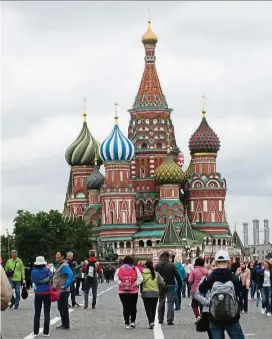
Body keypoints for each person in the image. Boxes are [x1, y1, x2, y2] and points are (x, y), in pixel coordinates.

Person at [198, 250, 244, 339]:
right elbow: (239, 292)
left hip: (215, 316)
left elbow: (201, 290)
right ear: (228, 261)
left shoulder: (210, 277)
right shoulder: (234, 277)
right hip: (232, 317)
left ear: (216, 262)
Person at [114, 255, 143, 329]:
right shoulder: (135, 269)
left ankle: (127, 322)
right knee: (133, 306)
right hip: (133, 291)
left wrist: (121, 284)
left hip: (122, 291)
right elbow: (140, 278)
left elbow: (115, 278)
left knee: (125, 306)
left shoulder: (119, 269)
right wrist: (134, 284)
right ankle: (133, 322)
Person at [155, 251, 182, 325]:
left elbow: (154, 276)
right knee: (170, 303)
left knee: (161, 301)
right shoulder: (172, 265)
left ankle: (160, 319)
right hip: (170, 285)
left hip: (161, 285)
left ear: (162, 257)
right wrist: (180, 286)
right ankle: (169, 320)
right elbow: (177, 276)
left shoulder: (157, 265)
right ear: (168, 257)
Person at [194, 260, 217, 339]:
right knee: (211, 332)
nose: (215, 268)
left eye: (217, 265)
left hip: (221, 310)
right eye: (213, 266)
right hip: (208, 310)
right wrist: (207, 302)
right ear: (210, 267)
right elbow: (197, 294)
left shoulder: (224, 278)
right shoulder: (205, 279)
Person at [31, 256, 52, 337]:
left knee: (37, 313)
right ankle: (46, 332)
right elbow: (51, 278)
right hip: (46, 292)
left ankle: (35, 331)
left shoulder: (33, 271)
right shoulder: (47, 270)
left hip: (38, 293)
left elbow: (33, 280)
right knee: (47, 312)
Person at [53, 251, 74, 330]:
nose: (57, 256)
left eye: (58, 255)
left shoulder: (64, 266)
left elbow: (71, 275)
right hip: (59, 291)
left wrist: (65, 285)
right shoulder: (59, 265)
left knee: (63, 308)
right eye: (56, 254)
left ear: (62, 256)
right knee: (60, 307)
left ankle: (66, 325)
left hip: (63, 291)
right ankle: (64, 323)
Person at [142, 260, 164, 329]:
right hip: (155, 293)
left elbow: (139, 281)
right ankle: (152, 321)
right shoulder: (156, 274)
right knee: (153, 308)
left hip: (145, 293)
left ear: (145, 265)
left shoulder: (142, 273)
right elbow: (162, 283)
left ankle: (150, 322)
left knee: (148, 308)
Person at [188, 257, 208, 322]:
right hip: (203, 290)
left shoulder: (193, 271)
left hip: (194, 290)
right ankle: (202, 316)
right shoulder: (206, 271)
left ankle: (197, 316)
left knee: (194, 304)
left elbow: (190, 280)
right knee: (202, 303)